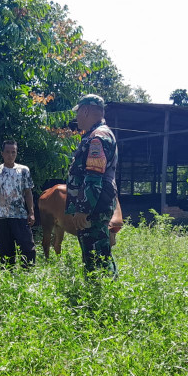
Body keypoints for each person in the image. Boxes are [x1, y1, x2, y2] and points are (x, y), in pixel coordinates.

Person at [65, 93, 119, 276]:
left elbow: (94, 177)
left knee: (96, 258)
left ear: (86, 110)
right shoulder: (98, 135)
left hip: (93, 208)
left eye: (78, 112)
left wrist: (84, 209)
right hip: (97, 204)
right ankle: (105, 294)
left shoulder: (97, 137)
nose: (77, 117)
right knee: (100, 253)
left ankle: (100, 298)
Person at [0, 140, 36, 269]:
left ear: (16, 153)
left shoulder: (24, 170)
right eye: (7, 152)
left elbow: (28, 192)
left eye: (13, 152)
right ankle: (8, 277)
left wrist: (31, 212)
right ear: (2, 153)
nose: (10, 155)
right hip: (3, 216)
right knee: (6, 251)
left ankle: (28, 274)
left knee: (27, 247)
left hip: (20, 215)